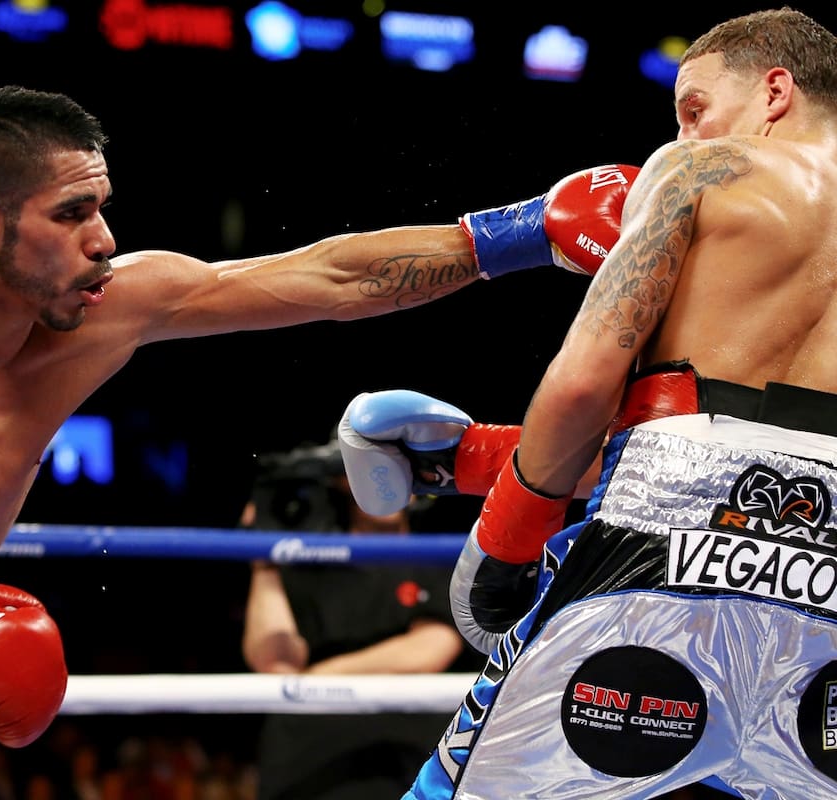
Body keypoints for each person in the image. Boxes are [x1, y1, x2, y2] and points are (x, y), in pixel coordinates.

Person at [0, 84, 636, 800]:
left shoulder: (109, 308)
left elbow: (327, 278)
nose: (103, 236)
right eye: (73, 212)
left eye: (101, 206)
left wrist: (516, 236)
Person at [339, 6, 837, 799]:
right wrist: (468, 457)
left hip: (652, 562)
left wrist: (504, 538)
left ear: (776, 90)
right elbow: (773, 449)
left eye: (695, 109)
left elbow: (583, 384)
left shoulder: (698, 172)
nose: (683, 136)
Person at [240, 435, 475, 800]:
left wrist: (314, 680)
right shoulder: (305, 561)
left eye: (400, 470)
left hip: (404, 755)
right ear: (342, 479)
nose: (387, 481)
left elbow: (428, 649)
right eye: (372, 470)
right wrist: (264, 564)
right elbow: (273, 661)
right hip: (307, 758)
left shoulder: (437, 560)